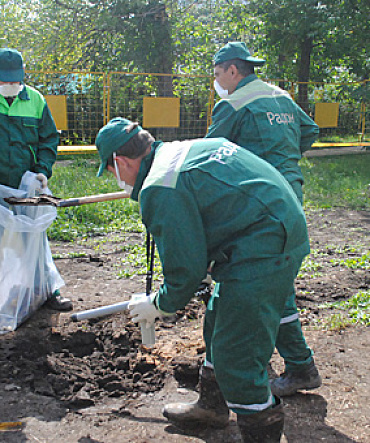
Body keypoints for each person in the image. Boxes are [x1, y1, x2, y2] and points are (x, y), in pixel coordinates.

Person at [95, 117, 311, 441]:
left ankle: (260, 427)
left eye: (111, 172)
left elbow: (185, 271)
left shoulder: (159, 186)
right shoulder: (176, 152)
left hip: (264, 246)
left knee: (237, 356)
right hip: (274, 227)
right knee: (217, 320)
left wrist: (158, 304)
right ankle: (212, 407)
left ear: (120, 161)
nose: (117, 179)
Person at [206, 41, 321, 397]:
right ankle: (295, 362)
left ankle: (300, 365)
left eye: (216, 73)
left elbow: (209, 156)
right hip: (291, 195)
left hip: (260, 204)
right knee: (278, 278)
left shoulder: (233, 103)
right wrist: (285, 161)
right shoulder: (281, 96)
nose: (216, 80)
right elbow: (311, 131)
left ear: (232, 70)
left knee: (271, 282)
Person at [0, 47, 72, 311]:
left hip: (26, 186)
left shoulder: (36, 101)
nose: (9, 85)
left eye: (13, 80)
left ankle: (45, 293)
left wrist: (43, 169)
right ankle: (6, 294)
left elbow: (49, 138)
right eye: (3, 80)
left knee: (35, 240)